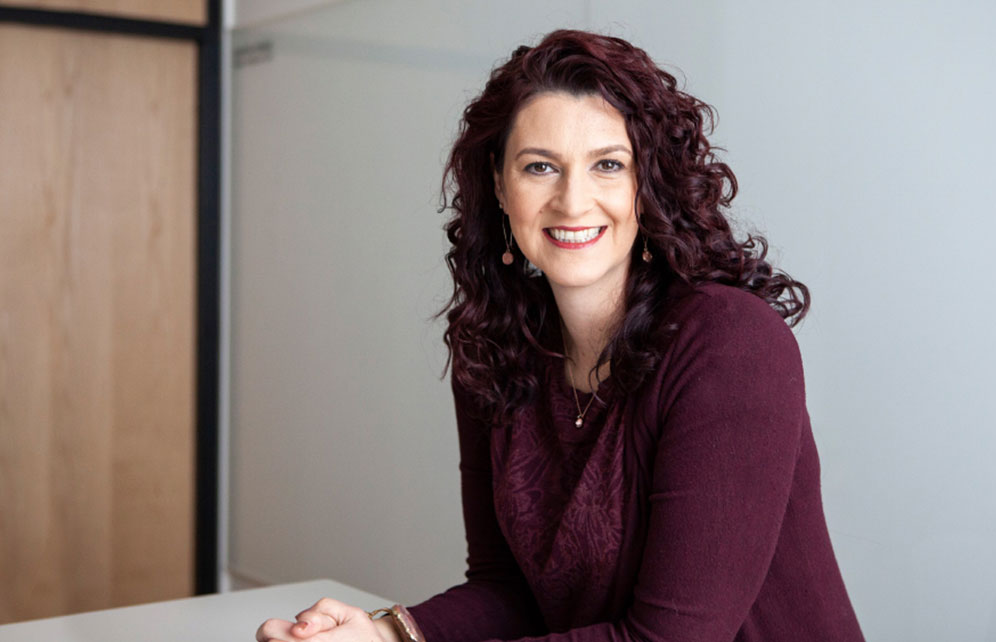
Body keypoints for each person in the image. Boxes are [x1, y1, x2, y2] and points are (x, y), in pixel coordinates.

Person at [256, 29, 863, 642]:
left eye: (608, 165)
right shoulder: (495, 348)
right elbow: (508, 589)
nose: (573, 201)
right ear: (499, 186)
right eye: (540, 166)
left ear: (645, 184)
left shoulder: (729, 343)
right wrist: (386, 635)